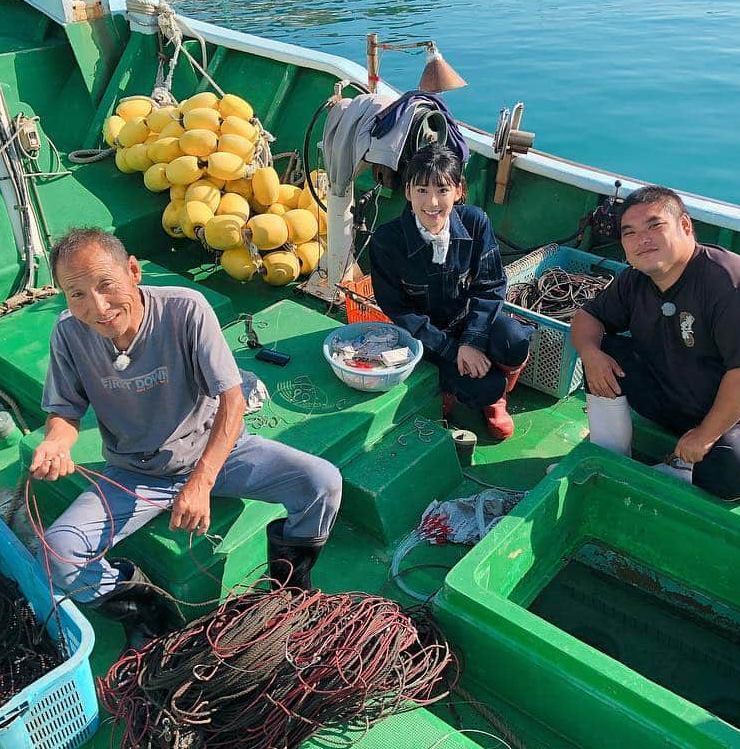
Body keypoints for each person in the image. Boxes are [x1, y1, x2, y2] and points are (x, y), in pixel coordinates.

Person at [30, 228, 342, 646]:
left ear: (133, 271)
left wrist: (202, 481)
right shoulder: (68, 333)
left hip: (218, 452)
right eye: (77, 294)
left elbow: (232, 400)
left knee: (322, 482)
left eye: (106, 286)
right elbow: (65, 411)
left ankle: (289, 594)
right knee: (57, 554)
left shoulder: (186, 310)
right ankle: (150, 615)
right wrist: (56, 442)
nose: (98, 307)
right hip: (134, 472)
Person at [570, 185, 740, 500]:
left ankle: (677, 468)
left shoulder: (734, 284)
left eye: (654, 226)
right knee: (602, 351)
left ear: (686, 227)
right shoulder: (636, 280)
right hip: (675, 397)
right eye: (629, 233)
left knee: (735, 467)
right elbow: (587, 319)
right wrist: (591, 353)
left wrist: (706, 434)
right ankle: (608, 457)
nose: (642, 240)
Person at [369, 144, 531, 439]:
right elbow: (399, 311)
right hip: (427, 340)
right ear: (407, 192)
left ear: (458, 191)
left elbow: (491, 286)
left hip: (470, 324)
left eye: (442, 190)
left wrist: (472, 340)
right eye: (421, 190)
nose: (432, 202)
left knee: (515, 340)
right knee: (486, 385)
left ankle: (497, 399)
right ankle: (454, 388)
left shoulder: (476, 222)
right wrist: (452, 350)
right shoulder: (386, 241)